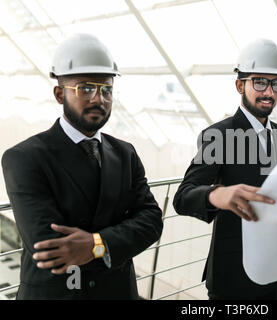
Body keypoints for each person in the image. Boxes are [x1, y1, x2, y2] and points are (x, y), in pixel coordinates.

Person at [1, 34, 163, 300]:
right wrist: (117, 243)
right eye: (85, 88)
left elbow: (152, 221)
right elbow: (50, 250)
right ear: (58, 93)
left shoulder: (125, 153)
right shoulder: (24, 158)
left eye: (107, 89)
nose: (99, 99)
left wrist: (96, 245)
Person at [173, 39, 277, 300]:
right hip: (234, 277)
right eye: (260, 82)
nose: (269, 92)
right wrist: (216, 195)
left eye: (276, 83)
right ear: (240, 85)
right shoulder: (219, 134)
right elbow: (183, 196)